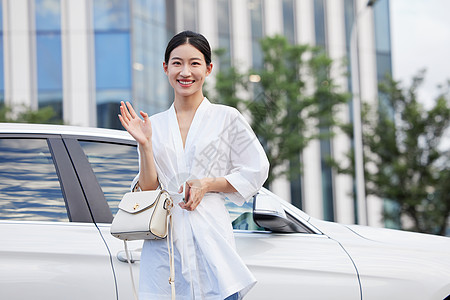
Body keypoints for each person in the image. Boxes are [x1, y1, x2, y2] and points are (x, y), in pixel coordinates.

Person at [118, 30, 269, 300]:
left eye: (194, 63)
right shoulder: (154, 125)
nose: (185, 72)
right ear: (166, 68)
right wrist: (145, 145)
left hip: (212, 245)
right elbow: (149, 189)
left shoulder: (226, 118)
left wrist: (207, 184)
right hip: (166, 250)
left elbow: (256, 169)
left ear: (208, 68)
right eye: (177, 63)